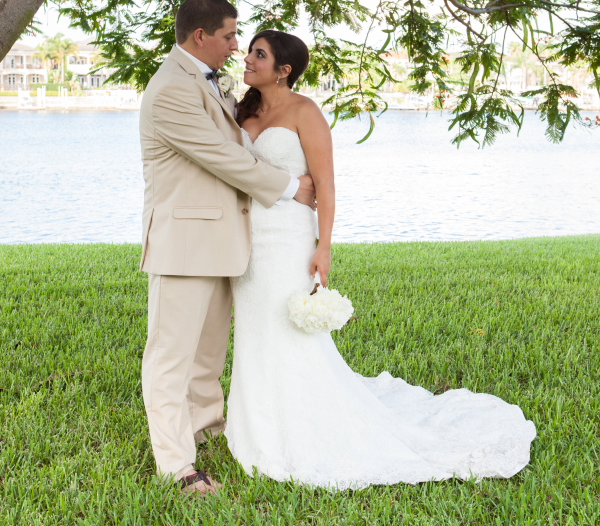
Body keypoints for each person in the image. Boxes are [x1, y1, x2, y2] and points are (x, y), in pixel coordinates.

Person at [225, 30, 537, 489]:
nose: (247, 59)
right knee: (255, 331)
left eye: (259, 54)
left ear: (284, 69)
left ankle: (300, 425)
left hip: (288, 239)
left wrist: (324, 246)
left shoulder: (305, 112)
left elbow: (326, 186)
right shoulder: (243, 109)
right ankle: (255, 423)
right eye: (249, 50)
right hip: (248, 237)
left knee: (287, 331)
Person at [138, 0, 316, 495]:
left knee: (208, 351)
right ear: (202, 37)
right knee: (171, 356)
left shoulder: (206, 82)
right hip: (185, 241)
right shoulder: (172, 87)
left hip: (219, 239)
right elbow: (220, 155)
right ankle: (177, 464)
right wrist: (288, 186)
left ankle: (206, 425)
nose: (236, 46)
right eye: (230, 36)